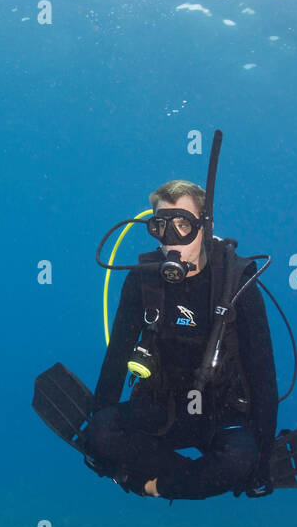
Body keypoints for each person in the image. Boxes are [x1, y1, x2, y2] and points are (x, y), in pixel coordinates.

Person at [80, 180, 279, 500]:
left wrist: (263, 457)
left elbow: (263, 377)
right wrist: (99, 441)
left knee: (242, 458)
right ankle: (197, 478)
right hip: (160, 408)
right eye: (160, 227)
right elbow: (116, 359)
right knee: (100, 432)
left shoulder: (238, 283)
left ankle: (150, 485)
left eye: (183, 225)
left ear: (205, 226)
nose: (171, 240)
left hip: (221, 413)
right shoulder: (141, 281)